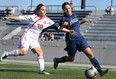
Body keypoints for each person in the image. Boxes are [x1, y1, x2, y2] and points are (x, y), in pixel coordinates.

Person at [0, 3, 75, 75]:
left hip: (34, 39)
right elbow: (19, 17)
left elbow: (58, 28)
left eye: (45, 10)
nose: (44, 11)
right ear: (38, 11)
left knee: (40, 53)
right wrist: (9, 17)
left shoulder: (48, 20)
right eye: (42, 9)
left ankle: (42, 70)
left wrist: (69, 31)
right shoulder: (33, 17)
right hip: (27, 36)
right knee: (23, 52)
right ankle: (6, 54)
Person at [53, 2, 109, 77]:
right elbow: (58, 30)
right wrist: (63, 25)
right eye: (66, 9)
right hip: (71, 40)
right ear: (63, 10)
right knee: (71, 59)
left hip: (80, 38)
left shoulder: (75, 15)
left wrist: (85, 21)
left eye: (69, 8)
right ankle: (57, 60)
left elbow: (77, 23)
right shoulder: (63, 19)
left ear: (71, 8)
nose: (68, 10)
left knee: (90, 55)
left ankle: (100, 71)